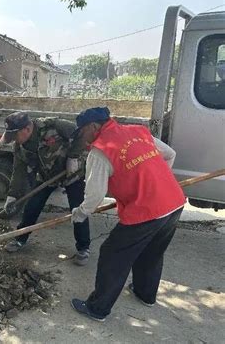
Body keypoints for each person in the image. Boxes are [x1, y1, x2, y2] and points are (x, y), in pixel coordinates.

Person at [69, 107, 185, 322]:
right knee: (152, 251)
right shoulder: (138, 131)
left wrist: (80, 213)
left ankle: (97, 309)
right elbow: (170, 154)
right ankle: (145, 294)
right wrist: (157, 184)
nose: (82, 138)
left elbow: (95, 196)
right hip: (174, 202)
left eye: (82, 132)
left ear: (93, 127)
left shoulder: (100, 151)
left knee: (113, 254)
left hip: (146, 210)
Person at [0, 111, 91, 265]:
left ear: (27, 129)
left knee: (78, 209)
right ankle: (20, 239)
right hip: (47, 177)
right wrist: (12, 195)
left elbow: (82, 134)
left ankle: (83, 248)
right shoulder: (20, 147)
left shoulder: (54, 126)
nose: (14, 141)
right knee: (32, 207)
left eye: (15, 136)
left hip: (72, 173)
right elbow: (19, 172)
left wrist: (73, 156)